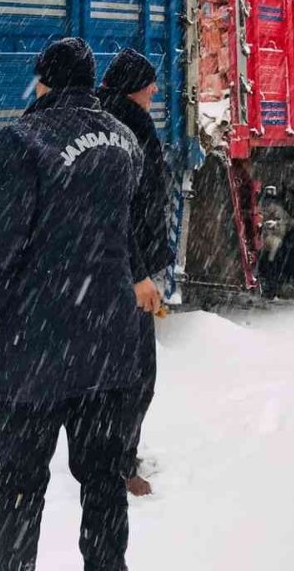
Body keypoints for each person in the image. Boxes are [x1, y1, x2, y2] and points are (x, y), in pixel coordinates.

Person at [0, 36, 143, 571]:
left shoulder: (23, 140)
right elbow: (121, 233)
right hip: (108, 338)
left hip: (38, 341)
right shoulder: (125, 139)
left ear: (44, 81)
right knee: (104, 479)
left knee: (21, 482)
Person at [98, 48, 173, 498]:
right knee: (136, 376)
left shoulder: (108, 121)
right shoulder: (129, 130)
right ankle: (120, 466)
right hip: (127, 274)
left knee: (118, 374)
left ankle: (114, 456)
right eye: (149, 82)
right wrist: (139, 275)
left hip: (115, 270)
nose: (155, 90)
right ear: (133, 88)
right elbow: (120, 213)